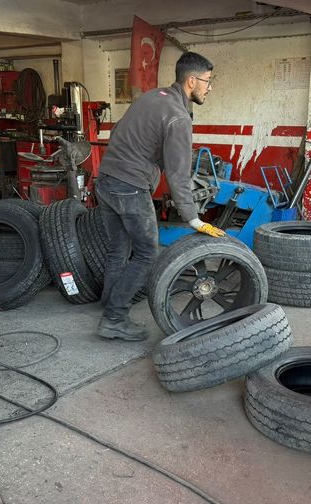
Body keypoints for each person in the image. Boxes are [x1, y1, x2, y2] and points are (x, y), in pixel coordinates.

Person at [95, 52, 225, 341]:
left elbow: (121, 132)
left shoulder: (153, 96)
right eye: (208, 81)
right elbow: (178, 175)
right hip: (130, 187)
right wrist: (193, 219)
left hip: (105, 181)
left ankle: (110, 303)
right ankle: (113, 319)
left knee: (118, 249)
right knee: (146, 253)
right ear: (192, 81)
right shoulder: (178, 117)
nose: (209, 87)